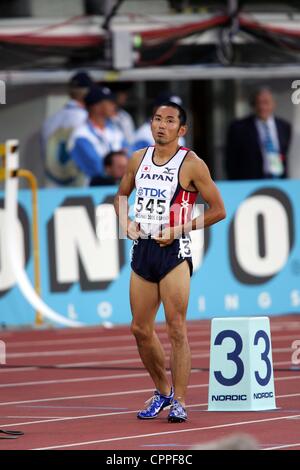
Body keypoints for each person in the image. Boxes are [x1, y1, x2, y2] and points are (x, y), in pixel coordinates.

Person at [114, 101, 226, 423]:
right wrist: (125, 223)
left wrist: (180, 228)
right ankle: (162, 390)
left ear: (182, 129)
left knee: (176, 327)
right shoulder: (138, 159)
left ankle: (180, 401)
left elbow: (219, 209)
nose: (161, 125)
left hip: (174, 252)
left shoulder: (191, 164)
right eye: (157, 119)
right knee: (139, 329)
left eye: (169, 121)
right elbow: (120, 197)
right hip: (144, 249)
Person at [225, 87, 291, 180]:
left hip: (278, 179)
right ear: (253, 105)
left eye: (266, 103)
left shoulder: (284, 126)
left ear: (274, 104)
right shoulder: (239, 127)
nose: (262, 107)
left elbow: (283, 153)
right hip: (250, 181)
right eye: (258, 103)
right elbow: (231, 160)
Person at [41, 71, 94, 187]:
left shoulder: (50, 120)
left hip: (52, 189)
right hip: (82, 190)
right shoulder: (87, 119)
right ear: (88, 93)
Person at [68, 86, 128, 186]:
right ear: (96, 106)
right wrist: (118, 164)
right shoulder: (81, 135)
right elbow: (97, 168)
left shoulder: (115, 131)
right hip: (90, 193)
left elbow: (130, 160)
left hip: (117, 190)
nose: (113, 105)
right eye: (109, 102)